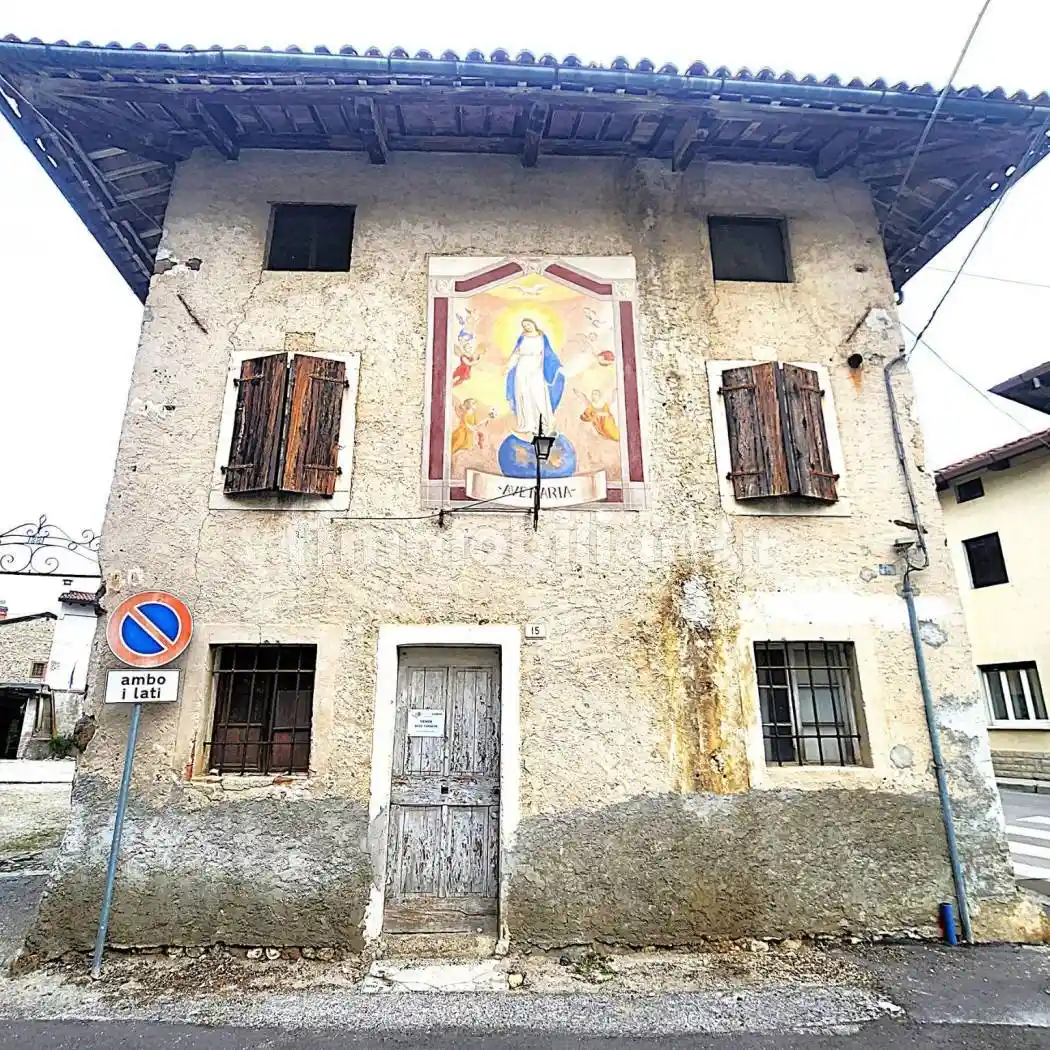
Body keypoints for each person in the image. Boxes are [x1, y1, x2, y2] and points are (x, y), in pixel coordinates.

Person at [505, 318, 564, 436]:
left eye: (528, 324)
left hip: (536, 368)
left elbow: (548, 353)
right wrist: (508, 366)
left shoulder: (542, 337)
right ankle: (527, 424)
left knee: (538, 395)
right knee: (523, 394)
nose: (527, 326)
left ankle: (546, 423)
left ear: (533, 323)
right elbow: (516, 353)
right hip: (522, 367)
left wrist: (556, 366)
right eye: (524, 325)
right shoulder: (522, 337)